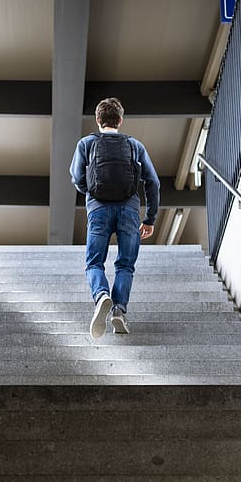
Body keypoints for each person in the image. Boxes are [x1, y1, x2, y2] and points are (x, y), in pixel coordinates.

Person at [70, 97, 160, 338]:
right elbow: (153, 182)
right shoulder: (135, 145)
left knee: (94, 262)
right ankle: (119, 310)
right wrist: (150, 218)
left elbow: (76, 177)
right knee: (125, 264)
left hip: (98, 209)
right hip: (129, 210)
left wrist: (91, 190)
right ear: (120, 120)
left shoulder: (86, 143)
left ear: (98, 120)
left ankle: (101, 295)